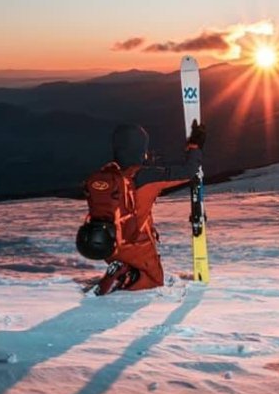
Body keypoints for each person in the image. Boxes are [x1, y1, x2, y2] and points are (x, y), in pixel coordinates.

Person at [76, 121, 206, 295]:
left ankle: (123, 269)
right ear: (140, 149)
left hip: (108, 245)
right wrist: (195, 146)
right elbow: (189, 171)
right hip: (136, 243)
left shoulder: (107, 175)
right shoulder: (147, 176)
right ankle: (129, 275)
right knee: (154, 279)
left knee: (128, 259)